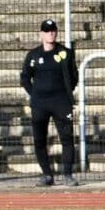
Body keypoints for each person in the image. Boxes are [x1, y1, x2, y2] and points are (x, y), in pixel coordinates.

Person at [20, 19, 77, 187]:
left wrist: (66, 93)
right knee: (39, 140)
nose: (50, 33)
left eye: (53, 30)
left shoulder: (65, 53)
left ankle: (68, 174)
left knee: (66, 139)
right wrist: (34, 94)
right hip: (40, 104)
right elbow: (25, 78)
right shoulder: (33, 55)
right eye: (46, 31)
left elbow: (74, 76)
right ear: (41, 34)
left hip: (61, 103)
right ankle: (47, 175)